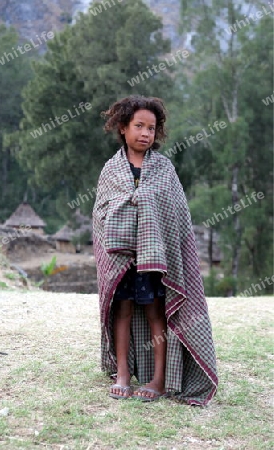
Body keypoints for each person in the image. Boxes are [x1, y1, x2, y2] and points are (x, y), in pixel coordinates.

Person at [92, 95, 218, 405]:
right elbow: (100, 212)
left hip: (156, 261)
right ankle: (122, 374)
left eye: (152, 127)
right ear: (123, 127)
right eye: (139, 126)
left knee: (156, 313)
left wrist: (144, 206)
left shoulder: (164, 169)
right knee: (120, 311)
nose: (145, 133)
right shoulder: (112, 170)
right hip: (121, 259)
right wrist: (127, 207)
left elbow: (176, 215)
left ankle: (159, 379)